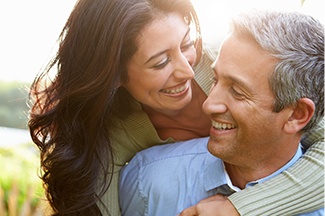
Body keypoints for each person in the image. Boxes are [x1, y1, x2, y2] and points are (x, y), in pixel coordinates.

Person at [27, 0, 323, 214]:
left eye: (186, 44)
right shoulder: (116, 136)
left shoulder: (238, 65)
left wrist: (239, 209)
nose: (187, 71)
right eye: (160, 62)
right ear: (115, 74)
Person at [119, 10, 324, 216]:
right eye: (214, 79)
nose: (208, 105)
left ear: (296, 115)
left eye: (237, 91)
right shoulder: (146, 181)